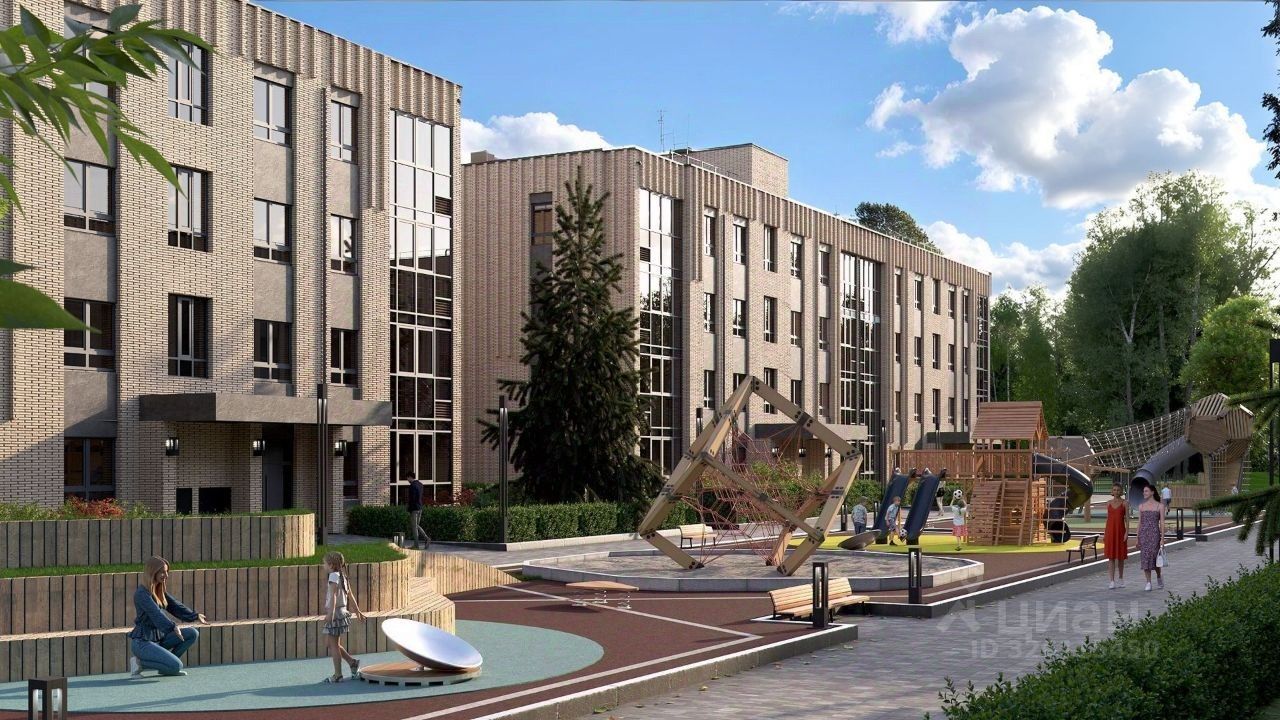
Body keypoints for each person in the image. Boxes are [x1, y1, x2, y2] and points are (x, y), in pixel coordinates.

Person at [128, 556, 209, 678]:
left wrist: (195, 615)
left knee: (192, 633)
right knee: (176, 666)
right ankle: (139, 663)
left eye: (167, 572)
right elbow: (156, 613)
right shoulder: (142, 594)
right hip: (143, 642)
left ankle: (167, 668)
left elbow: (175, 606)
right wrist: (172, 626)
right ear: (152, 572)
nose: (166, 575)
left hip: (159, 639)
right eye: (162, 572)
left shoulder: (158, 590)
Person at [322, 551, 368, 683]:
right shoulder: (342, 576)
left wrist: (330, 614)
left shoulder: (333, 576)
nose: (323, 566)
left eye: (324, 564)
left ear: (331, 565)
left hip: (336, 613)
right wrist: (357, 611)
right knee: (330, 644)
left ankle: (338, 675)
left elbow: (334, 596)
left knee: (334, 646)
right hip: (342, 612)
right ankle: (352, 662)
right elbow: (350, 595)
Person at [1137, 483, 1166, 591]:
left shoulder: (1160, 506)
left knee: (1155, 558)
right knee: (1145, 558)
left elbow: (1162, 523)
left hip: (1154, 535)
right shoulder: (1141, 506)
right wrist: (1137, 537)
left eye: (1146, 491)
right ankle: (1148, 582)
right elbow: (1139, 523)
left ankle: (1159, 576)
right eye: (1143, 491)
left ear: (1152, 492)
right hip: (1144, 535)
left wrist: (1162, 538)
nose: (1144, 493)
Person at [1103, 483, 1129, 590]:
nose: (1116, 492)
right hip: (1110, 531)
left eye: (1118, 490)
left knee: (1121, 557)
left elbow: (1127, 519)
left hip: (1120, 531)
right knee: (1111, 557)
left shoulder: (1125, 503)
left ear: (1121, 491)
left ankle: (1121, 578)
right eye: (1114, 490)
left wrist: (1127, 532)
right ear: (1112, 491)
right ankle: (1112, 581)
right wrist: (1105, 533)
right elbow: (1108, 519)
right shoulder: (1108, 503)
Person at [406, 472, 429, 549]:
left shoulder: (412, 486)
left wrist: (409, 509)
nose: (407, 480)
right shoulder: (420, 484)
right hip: (420, 507)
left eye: (407, 478)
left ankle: (417, 544)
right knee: (417, 525)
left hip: (414, 509)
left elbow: (412, 499)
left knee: (414, 526)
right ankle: (426, 539)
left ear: (410, 477)